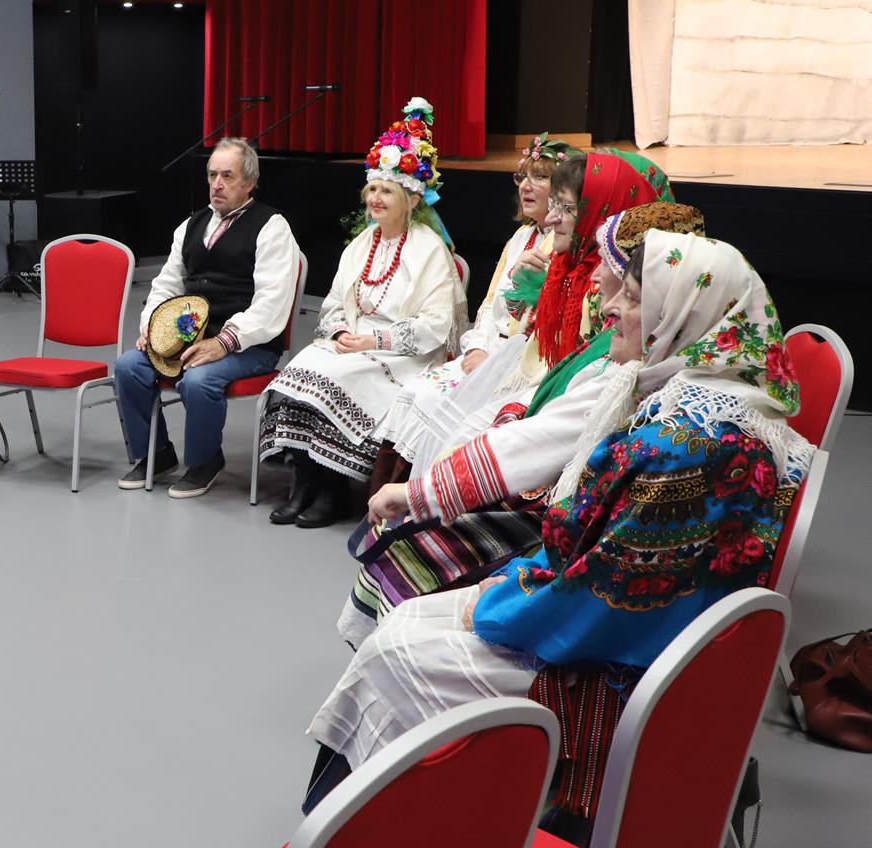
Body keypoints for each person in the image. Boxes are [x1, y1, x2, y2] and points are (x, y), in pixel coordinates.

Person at [302, 232, 811, 835]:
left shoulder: (686, 448)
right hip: (613, 624)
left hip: (617, 670)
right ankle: (375, 816)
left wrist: (494, 603)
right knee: (406, 621)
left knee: (399, 650)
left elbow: (603, 600)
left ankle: (377, 822)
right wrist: (511, 583)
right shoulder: (694, 400)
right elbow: (601, 550)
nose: (610, 304)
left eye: (633, 295)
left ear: (683, 315)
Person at [341, 202, 709, 647]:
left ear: (674, 308)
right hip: (562, 498)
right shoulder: (648, 365)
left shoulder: (656, 403)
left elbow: (557, 448)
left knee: (413, 548)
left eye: (628, 292)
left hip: (578, 565)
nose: (603, 291)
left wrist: (425, 496)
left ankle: (397, 645)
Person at [260, 98, 464, 527]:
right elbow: (333, 303)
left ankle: (332, 490)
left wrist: (374, 340)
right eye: (372, 189)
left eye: (386, 190)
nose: (375, 198)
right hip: (353, 342)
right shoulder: (361, 244)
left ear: (411, 199)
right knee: (301, 370)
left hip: (402, 354)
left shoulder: (429, 250)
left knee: (337, 377)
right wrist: (339, 334)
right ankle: (305, 482)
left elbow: (436, 325)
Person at [365, 133, 577, 484]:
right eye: (522, 176)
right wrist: (477, 346)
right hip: (488, 352)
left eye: (540, 177)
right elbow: (489, 306)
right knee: (415, 390)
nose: (525, 186)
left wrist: (491, 359)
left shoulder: (562, 247)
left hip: (519, 363)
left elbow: (530, 322)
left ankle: (417, 496)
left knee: (434, 399)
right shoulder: (521, 238)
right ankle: (384, 495)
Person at [110, 137, 300, 499]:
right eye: (212, 175)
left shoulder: (272, 227)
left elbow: (272, 302)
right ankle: (156, 454)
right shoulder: (190, 225)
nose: (217, 184)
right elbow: (166, 284)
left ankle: (205, 461)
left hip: (250, 345)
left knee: (198, 380)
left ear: (250, 182)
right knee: (128, 366)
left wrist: (223, 342)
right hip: (190, 337)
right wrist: (151, 328)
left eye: (228, 176)